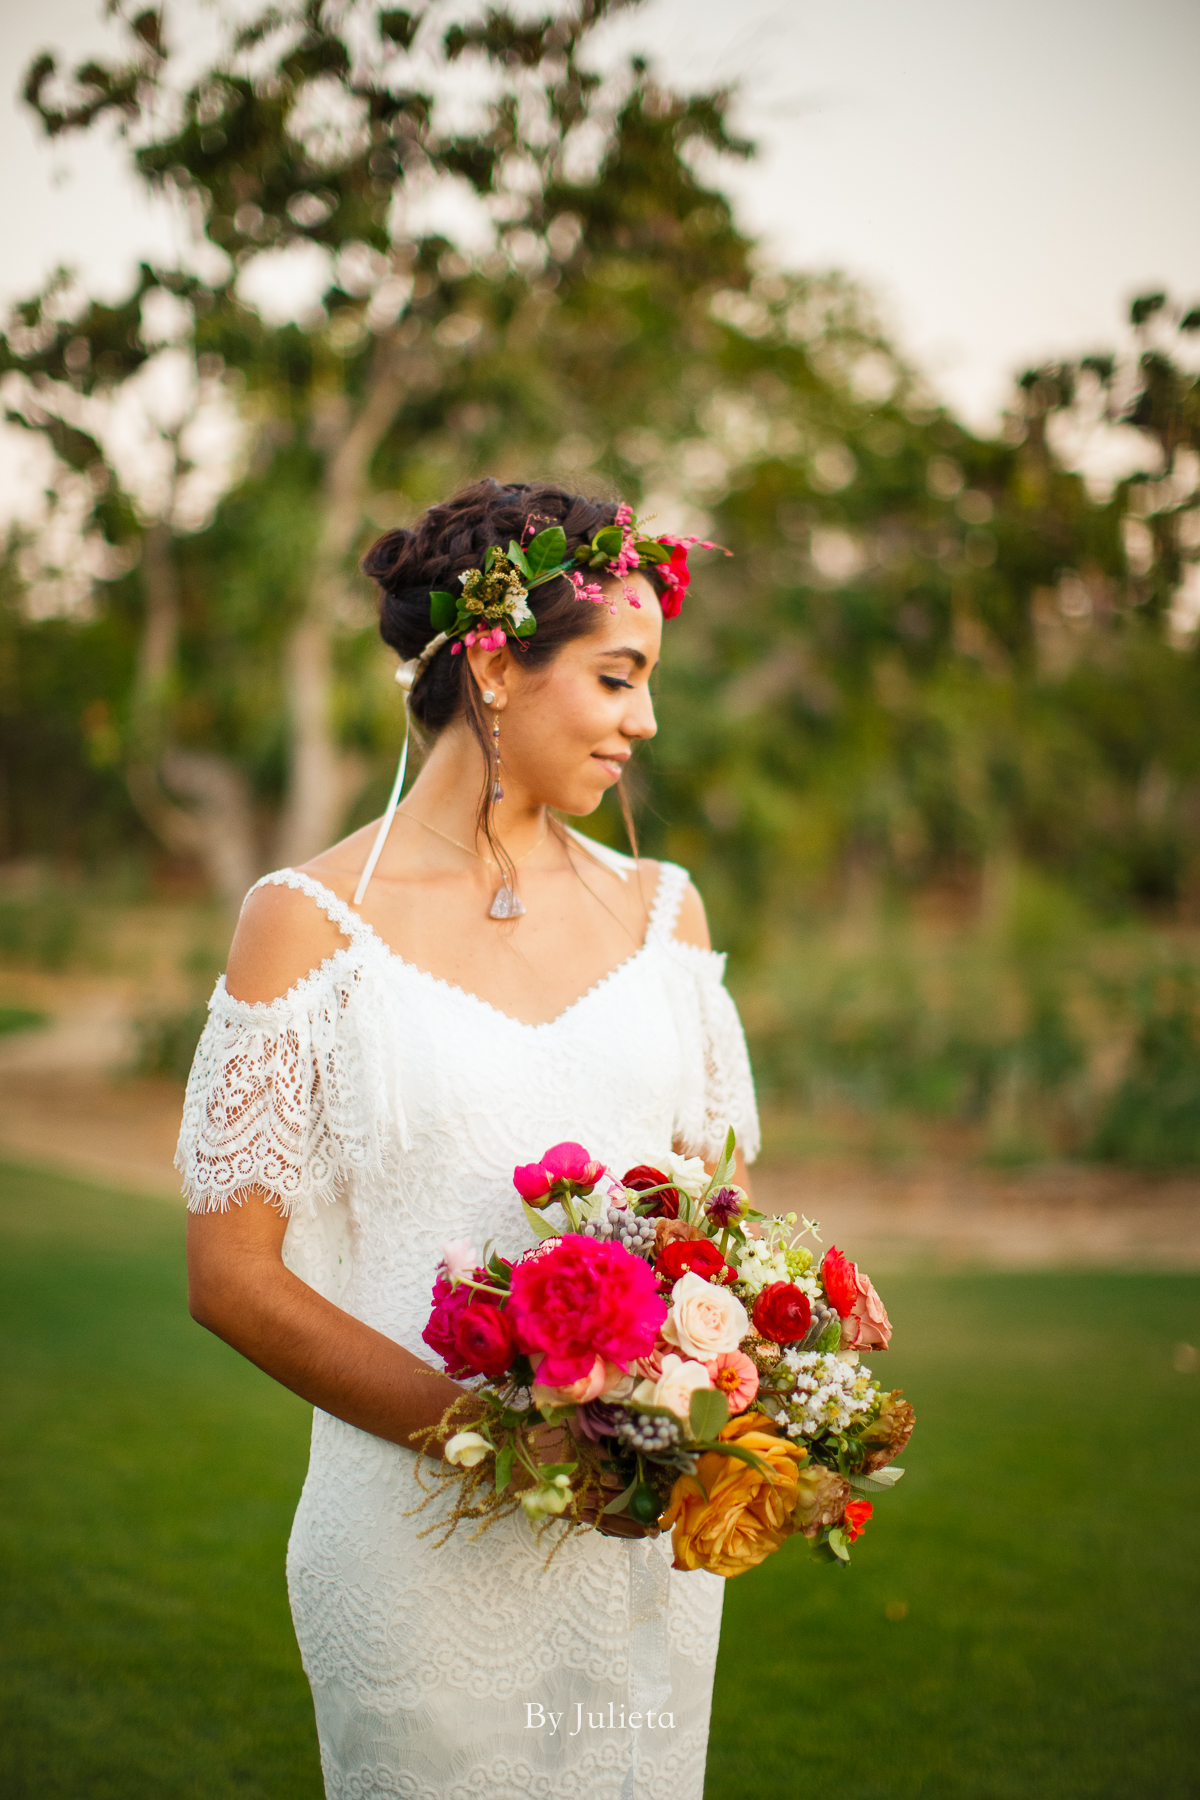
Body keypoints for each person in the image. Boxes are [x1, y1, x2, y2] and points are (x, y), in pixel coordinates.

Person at [179, 479, 760, 1799]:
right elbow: (234, 1280)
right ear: (496, 665)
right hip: (414, 1550)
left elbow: (709, 1217)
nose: (644, 721)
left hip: (627, 1552)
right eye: (616, 679)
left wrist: (779, 1316)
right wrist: (503, 1442)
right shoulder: (305, 924)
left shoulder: (666, 917)